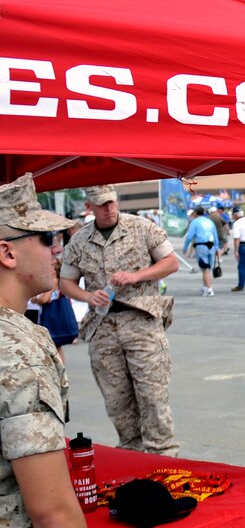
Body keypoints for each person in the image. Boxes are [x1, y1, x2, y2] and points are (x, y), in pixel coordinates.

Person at [0, 174, 104, 528]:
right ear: (7, 251)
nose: (58, 248)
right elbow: (51, 510)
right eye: (46, 238)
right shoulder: (17, 345)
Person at [60, 184, 180, 456]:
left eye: (112, 201)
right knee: (116, 399)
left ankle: (163, 454)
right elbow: (66, 282)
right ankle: (131, 453)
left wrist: (137, 276)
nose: (109, 208)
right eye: (102, 204)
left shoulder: (142, 227)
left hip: (141, 321)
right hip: (103, 327)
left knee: (153, 396)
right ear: (89, 207)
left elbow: (171, 263)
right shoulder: (79, 241)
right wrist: (88, 297)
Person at [182, 206, 220, 297]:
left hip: (201, 246)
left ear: (195, 213)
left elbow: (189, 236)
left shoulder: (194, 222)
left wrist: (185, 247)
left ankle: (209, 289)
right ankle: (205, 286)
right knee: (207, 268)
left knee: (204, 268)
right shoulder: (210, 222)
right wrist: (217, 248)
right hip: (211, 246)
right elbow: (215, 235)